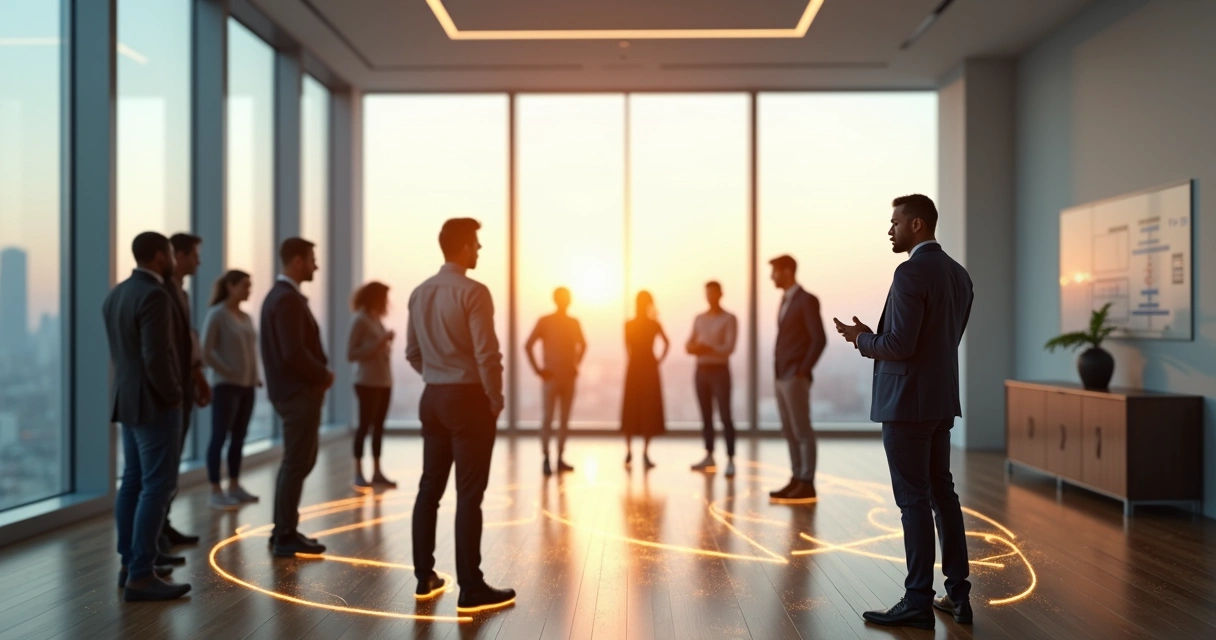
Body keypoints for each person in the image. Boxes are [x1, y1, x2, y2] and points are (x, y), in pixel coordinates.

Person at [834, 194, 974, 630]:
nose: (889, 230)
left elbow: (900, 346)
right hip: (939, 401)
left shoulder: (910, 271)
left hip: (907, 404)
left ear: (917, 224)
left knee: (913, 499)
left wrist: (861, 340)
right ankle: (958, 595)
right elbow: (941, 341)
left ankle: (917, 601)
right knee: (942, 494)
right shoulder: (959, 275)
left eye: (894, 222)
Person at [407, 218, 515, 611]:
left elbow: (412, 353)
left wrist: (437, 377)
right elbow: (487, 353)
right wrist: (495, 396)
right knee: (469, 494)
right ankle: (470, 586)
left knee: (429, 490)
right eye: (477, 244)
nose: (480, 250)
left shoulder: (419, 293)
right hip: (468, 399)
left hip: (432, 397)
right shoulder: (475, 292)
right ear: (465, 246)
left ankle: (425, 578)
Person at [103, 231, 191, 602]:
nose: (173, 257)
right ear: (159, 256)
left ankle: (130, 565)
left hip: (128, 401)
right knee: (156, 485)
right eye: (170, 252)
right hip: (156, 404)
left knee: (133, 482)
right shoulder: (154, 295)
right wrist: (174, 397)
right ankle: (141, 574)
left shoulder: (116, 294)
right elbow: (157, 357)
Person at [261, 237, 332, 558]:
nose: (316, 265)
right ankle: (284, 534)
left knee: (299, 461)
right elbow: (293, 354)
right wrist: (322, 375)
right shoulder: (287, 300)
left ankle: (284, 530)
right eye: (312, 259)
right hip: (297, 394)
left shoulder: (277, 297)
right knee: (296, 462)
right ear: (298, 261)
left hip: (291, 393)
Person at [158, 233, 211, 557]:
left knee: (172, 462)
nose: (199, 261)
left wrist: (197, 376)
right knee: (163, 466)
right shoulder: (161, 293)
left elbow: (187, 341)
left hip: (185, 387)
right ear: (177, 255)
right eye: (194, 255)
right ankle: (156, 536)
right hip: (171, 392)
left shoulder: (182, 294)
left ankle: (163, 526)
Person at [201, 270, 261, 510]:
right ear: (231, 287)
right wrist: (228, 371)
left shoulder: (246, 317)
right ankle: (216, 489)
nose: (249, 290)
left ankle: (234, 485)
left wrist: (254, 376)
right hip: (226, 386)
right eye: (245, 285)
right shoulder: (217, 315)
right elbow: (206, 351)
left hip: (247, 386)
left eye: (250, 285)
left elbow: (251, 351)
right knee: (219, 436)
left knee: (239, 438)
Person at [768, 255, 826, 501]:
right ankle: (796, 478)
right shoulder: (785, 300)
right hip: (782, 375)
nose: (772, 277)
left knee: (802, 430)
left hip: (794, 375)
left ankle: (807, 481)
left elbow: (819, 339)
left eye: (775, 272)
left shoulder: (806, 300)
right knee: (789, 430)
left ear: (787, 271)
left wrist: (802, 370)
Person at [524, 286, 586, 476]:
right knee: (550, 418)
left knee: (562, 419)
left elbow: (583, 345)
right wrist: (538, 370)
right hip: (553, 376)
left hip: (564, 376)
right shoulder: (546, 321)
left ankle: (557, 458)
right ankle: (547, 457)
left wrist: (576, 364)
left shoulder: (569, 322)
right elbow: (528, 345)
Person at [686, 281, 738, 477]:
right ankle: (709, 455)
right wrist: (698, 349)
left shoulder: (729, 318)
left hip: (720, 371)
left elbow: (729, 348)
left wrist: (708, 348)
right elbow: (688, 344)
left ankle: (731, 458)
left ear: (721, 294)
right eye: (707, 293)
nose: (710, 297)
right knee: (706, 416)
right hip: (701, 370)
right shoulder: (699, 318)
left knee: (725, 416)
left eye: (713, 293)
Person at [348, 281, 396, 489]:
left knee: (378, 428)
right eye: (383, 297)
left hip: (384, 381)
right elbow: (351, 354)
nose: (387, 302)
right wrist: (379, 344)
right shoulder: (360, 321)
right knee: (364, 426)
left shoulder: (377, 320)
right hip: (367, 382)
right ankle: (358, 472)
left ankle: (377, 471)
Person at [621, 290, 668, 469]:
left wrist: (655, 361)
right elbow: (667, 343)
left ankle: (640, 452)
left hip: (640, 367)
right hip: (644, 367)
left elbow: (627, 346)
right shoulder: (649, 324)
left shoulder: (634, 324)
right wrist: (656, 360)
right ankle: (634, 451)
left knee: (642, 409)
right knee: (634, 408)